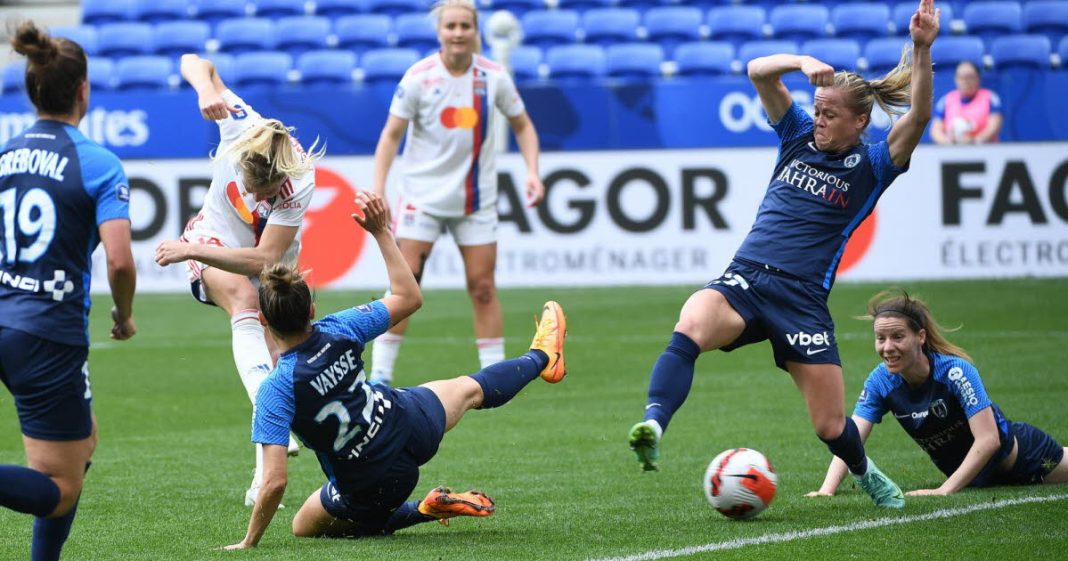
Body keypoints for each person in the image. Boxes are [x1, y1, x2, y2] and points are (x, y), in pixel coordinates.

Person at [626, 0, 942, 509]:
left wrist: (923, 49)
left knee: (829, 425)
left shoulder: (875, 163)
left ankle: (863, 471)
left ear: (860, 121)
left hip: (801, 299)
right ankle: (653, 425)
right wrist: (799, 62)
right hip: (746, 278)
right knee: (690, 323)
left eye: (830, 114)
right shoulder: (796, 135)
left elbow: (920, 114)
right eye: (816, 110)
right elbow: (757, 71)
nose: (818, 120)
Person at [223, 190, 566, 549]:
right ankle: (542, 356)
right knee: (470, 389)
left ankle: (422, 509)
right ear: (311, 310)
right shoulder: (340, 327)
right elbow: (409, 297)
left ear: (262, 319)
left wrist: (249, 541)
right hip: (408, 421)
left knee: (304, 525)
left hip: (376, 480)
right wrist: (382, 231)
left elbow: (275, 480)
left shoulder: (274, 389)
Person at [154, 53, 322, 506]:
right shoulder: (239, 124)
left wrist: (187, 250)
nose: (254, 197)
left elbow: (265, 257)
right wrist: (207, 91)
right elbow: (192, 59)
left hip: (266, 258)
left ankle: (260, 481)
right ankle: (273, 419)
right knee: (246, 304)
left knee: (286, 355)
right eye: (250, 186)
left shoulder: (301, 179)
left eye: (263, 194)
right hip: (213, 238)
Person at [0, 21, 136, 561]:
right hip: (45, 333)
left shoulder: (5, 154)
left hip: (6, 315)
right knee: (59, 490)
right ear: (83, 90)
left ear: (34, 89)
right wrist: (124, 315)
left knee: (83, 446)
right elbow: (121, 260)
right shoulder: (97, 162)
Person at [369, 0, 545, 385]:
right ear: (440, 32)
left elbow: (524, 126)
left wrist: (533, 171)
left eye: (466, 25)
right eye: (451, 26)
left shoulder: (494, 77)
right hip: (421, 198)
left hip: (474, 201)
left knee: (482, 287)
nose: (459, 32)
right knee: (406, 283)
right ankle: (380, 376)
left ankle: (495, 376)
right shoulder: (418, 77)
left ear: (475, 30)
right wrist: (378, 187)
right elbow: (391, 136)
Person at [807, 290, 1067, 497]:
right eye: (880, 338)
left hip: (1025, 458)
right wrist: (827, 489)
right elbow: (851, 438)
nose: (887, 347)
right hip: (972, 479)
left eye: (897, 337)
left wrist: (945, 490)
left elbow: (989, 440)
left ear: (920, 337)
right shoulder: (880, 382)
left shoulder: (955, 371)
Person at [930, 61, 1002, 145]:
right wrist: (948, 142)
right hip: (952, 152)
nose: (965, 81)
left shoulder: (990, 98)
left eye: (970, 77)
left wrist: (975, 141)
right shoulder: (946, 100)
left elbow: (994, 125)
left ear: (978, 78)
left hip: (984, 151)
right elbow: (935, 130)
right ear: (956, 79)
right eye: (961, 77)